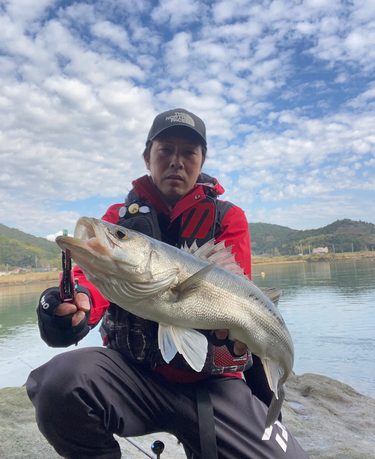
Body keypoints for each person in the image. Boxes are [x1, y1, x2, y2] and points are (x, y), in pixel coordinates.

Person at [26, 109, 309, 459]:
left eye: (189, 152)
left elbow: (242, 290)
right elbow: (92, 282)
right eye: (165, 150)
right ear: (148, 157)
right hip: (132, 376)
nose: (176, 161)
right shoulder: (119, 217)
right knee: (58, 384)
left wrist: (243, 351)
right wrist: (75, 302)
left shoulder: (228, 218)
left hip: (213, 385)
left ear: (202, 159)